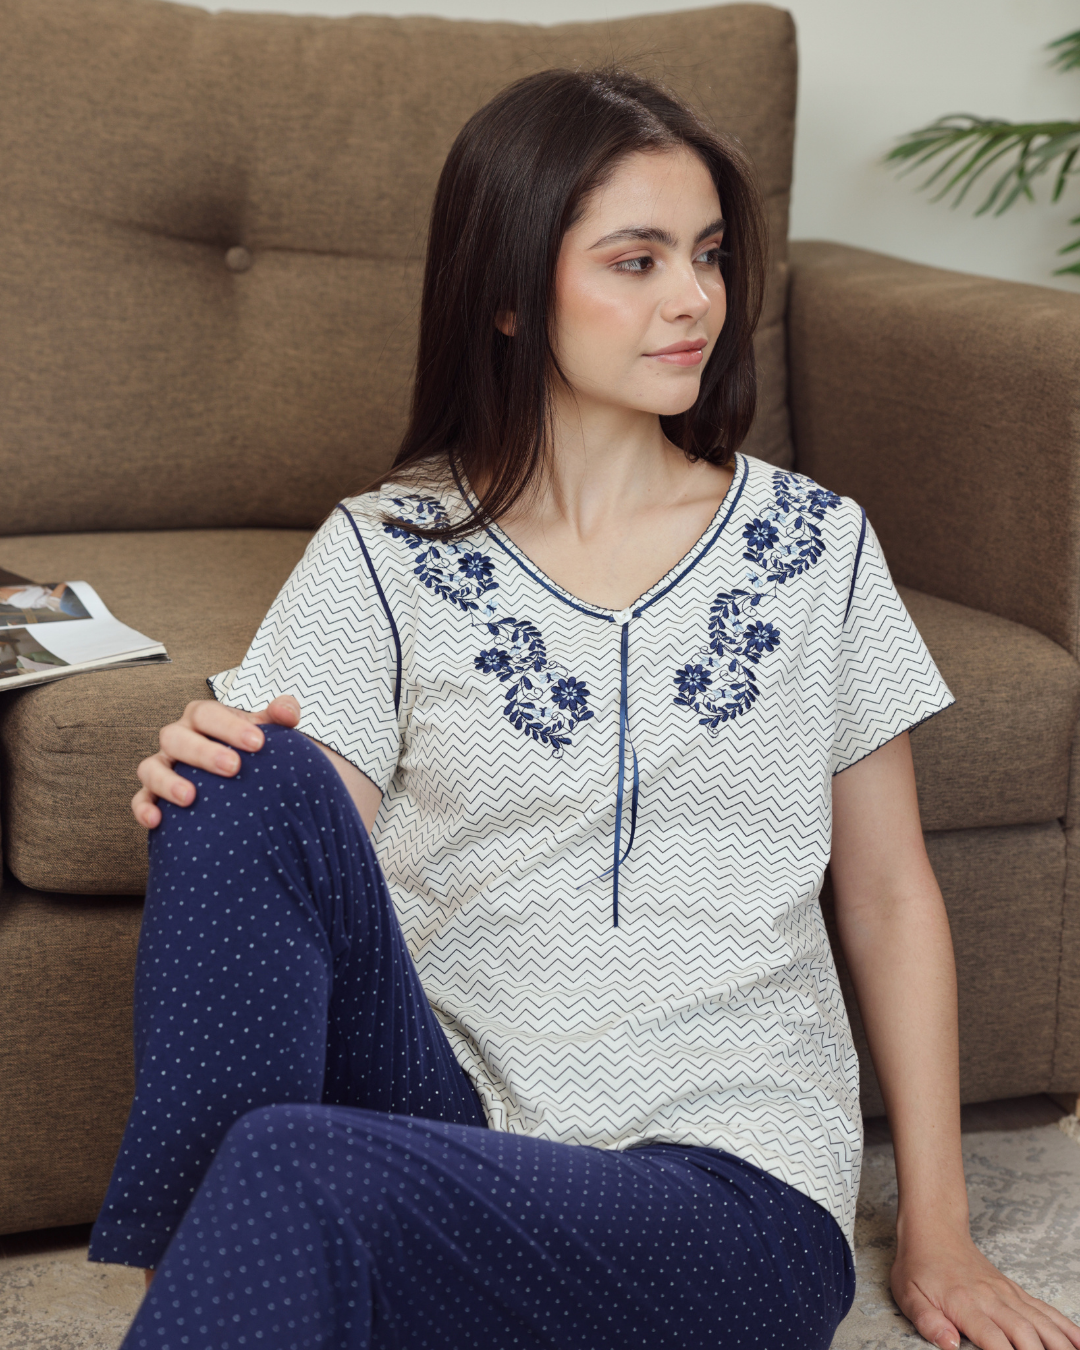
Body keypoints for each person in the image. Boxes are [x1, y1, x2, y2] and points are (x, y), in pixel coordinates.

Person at [90, 68, 1080, 1350]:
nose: (696, 299)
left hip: (726, 1188)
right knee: (236, 773)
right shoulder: (387, 549)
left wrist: (939, 1230)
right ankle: (221, 1287)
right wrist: (215, 788)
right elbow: (304, 862)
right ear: (508, 296)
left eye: (708, 255)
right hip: (444, 1127)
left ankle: (228, 1286)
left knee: (293, 1163)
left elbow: (891, 896)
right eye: (637, 260)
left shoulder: (816, 546)